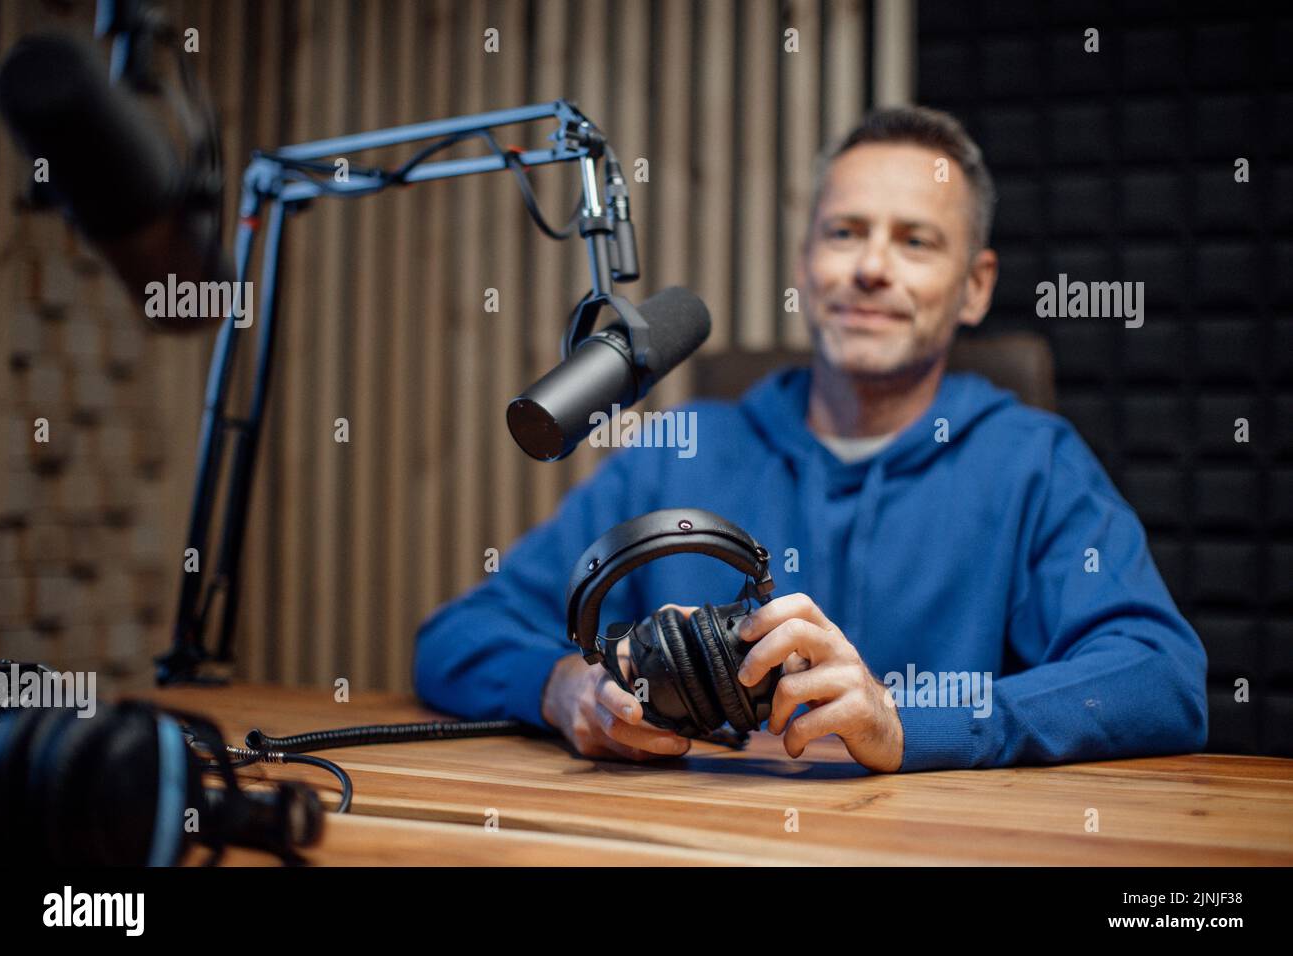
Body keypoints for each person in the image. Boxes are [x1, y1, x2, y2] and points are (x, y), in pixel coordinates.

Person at [413, 106, 1208, 772]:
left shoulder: (1034, 462)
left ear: (974, 287)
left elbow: (1160, 679)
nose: (871, 267)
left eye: (916, 241)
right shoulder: (680, 450)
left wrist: (908, 726)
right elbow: (457, 637)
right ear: (805, 263)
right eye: (845, 233)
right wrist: (558, 688)